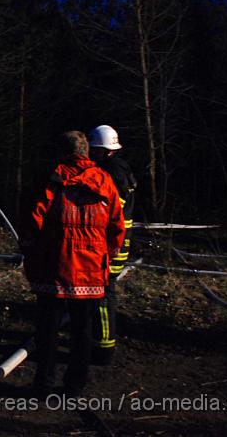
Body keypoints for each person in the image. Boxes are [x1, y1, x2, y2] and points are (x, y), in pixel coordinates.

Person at [22, 131, 125, 396]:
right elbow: (117, 225)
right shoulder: (105, 180)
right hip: (91, 267)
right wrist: (106, 255)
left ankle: (43, 384)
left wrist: (31, 252)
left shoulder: (53, 179)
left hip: (54, 264)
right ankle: (75, 385)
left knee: (48, 329)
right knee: (82, 331)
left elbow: (35, 219)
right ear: (87, 151)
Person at [88, 124, 137, 365]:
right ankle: (99, 341)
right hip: (116, 241)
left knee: (104, 295)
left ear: (104, 151)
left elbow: (110, 209)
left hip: (112, 244)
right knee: (102, 292)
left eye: (95, 150)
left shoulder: (112, 172)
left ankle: (104, 347)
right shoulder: (120, 168)